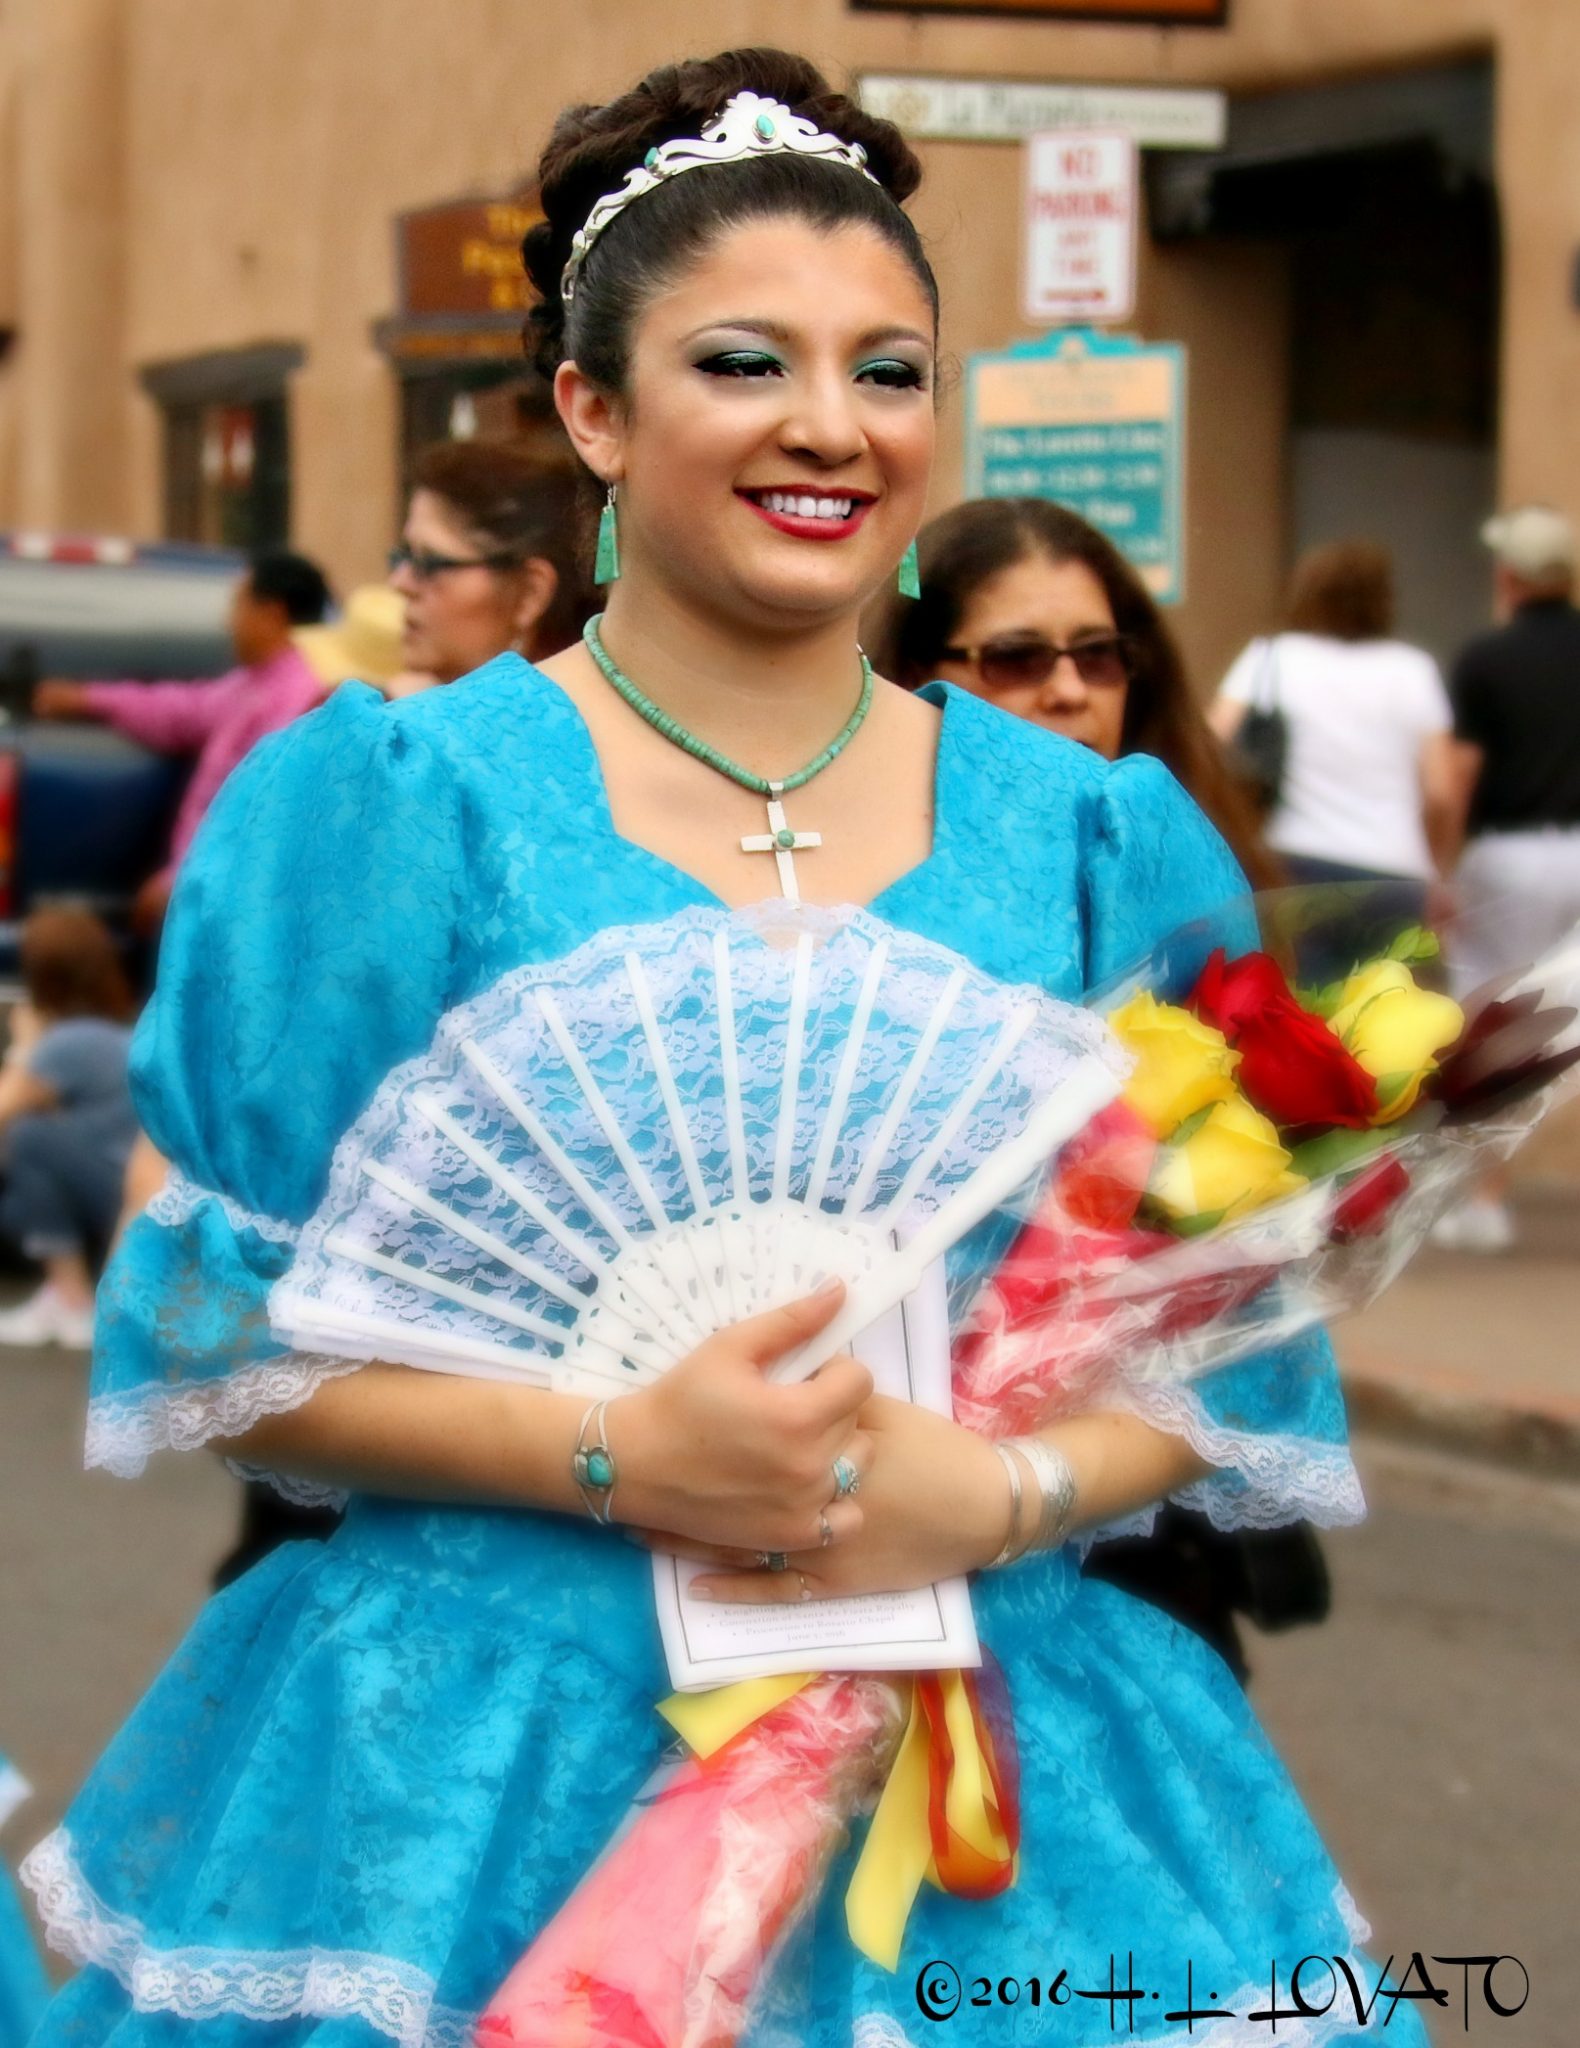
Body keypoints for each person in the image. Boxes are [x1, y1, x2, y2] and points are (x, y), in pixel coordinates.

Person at [23, 49, 1422, 2048]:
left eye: (890, 370)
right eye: (746, 363)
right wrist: (618, 1451)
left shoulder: (1097, 833)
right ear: (589, 406)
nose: (830, 430)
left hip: (994, 1751)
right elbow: (233, 1337)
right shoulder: (397, 805)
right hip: (483, 1755)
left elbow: (1213, 1330)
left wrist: (1009, 1488)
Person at [872, 496, 1323, 1681]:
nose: (1066, 687)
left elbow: (1262, 1184)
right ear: (919, 675)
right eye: (1016, 657)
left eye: (1096, 652)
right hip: (887, 1461)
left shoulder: (1192, 863)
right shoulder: (882, 895)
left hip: (1127, 1497)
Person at [33, 551, 332, 930]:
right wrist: (88, 699)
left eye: (238, 605)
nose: (229, 621)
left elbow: (262, 817)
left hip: (229, 913)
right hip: (200, 900)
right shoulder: (251, 686)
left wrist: (180, 882)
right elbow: (179, 710)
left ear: (271, 613)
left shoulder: (301, 700)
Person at [1433, 504, 1580, 1252]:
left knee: (1493, 1024)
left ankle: (1484, 1199)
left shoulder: (1486, 657)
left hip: (1511, 857)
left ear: (1511, 576)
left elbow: (1459, 773)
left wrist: (1442, 869)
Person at [1209, 540, 1461, 918]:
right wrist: (1438, 870)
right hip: (1393, 870)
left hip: (1293, 863)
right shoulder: (1413, 670)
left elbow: (1210, 744)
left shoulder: (1271, 655)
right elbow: (1441, 792)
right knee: (1391, 977)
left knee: (1298, 979)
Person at [0, 908, 137, 1350]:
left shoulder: (66, 1040)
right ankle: (59, 1294)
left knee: (32, 1138)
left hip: (114, 1198)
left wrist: (23, 1045)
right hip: (124, 1191)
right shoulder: (116, 1032)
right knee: (18, 1197)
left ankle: (73, 1303)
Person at [387, 437, 597, 690]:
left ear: (530, 594)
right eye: (405, 556)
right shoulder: (394, 708)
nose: (399, 582)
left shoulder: (580, 721)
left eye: (430, 563)